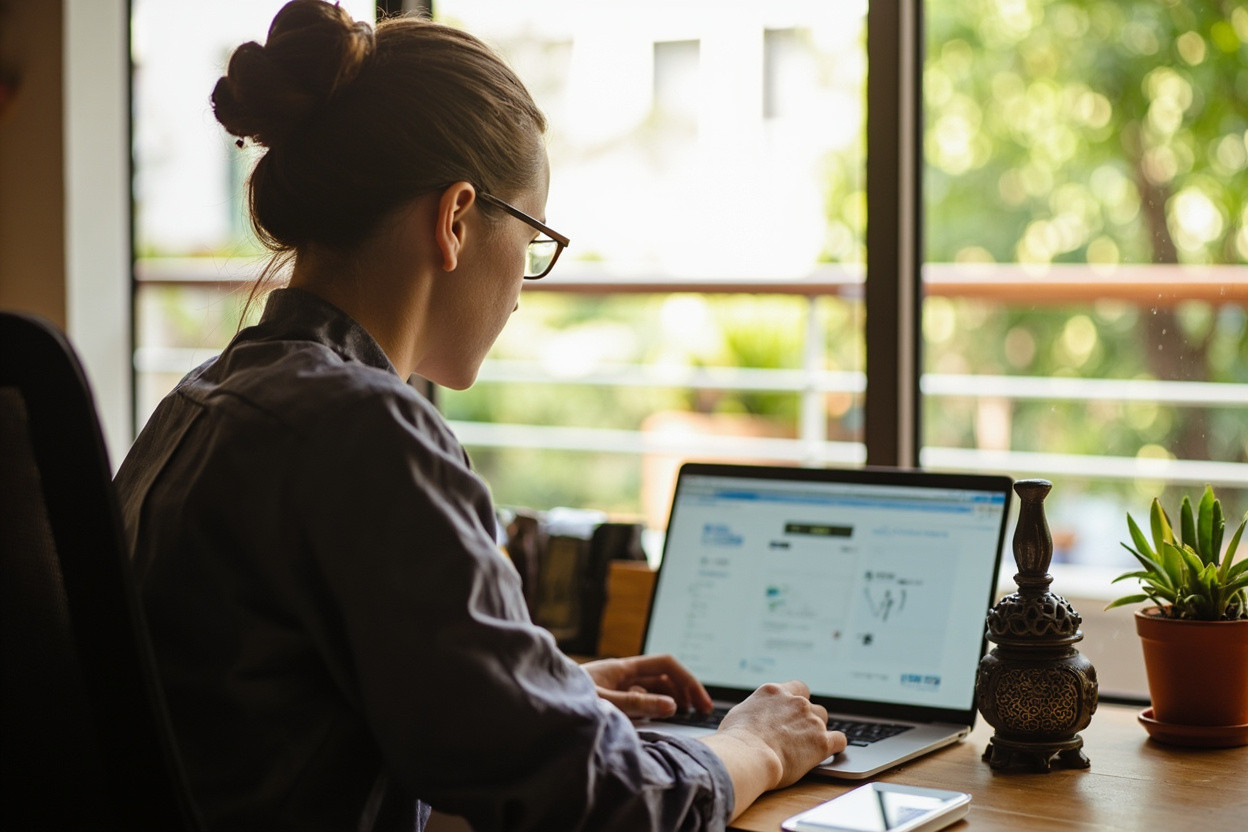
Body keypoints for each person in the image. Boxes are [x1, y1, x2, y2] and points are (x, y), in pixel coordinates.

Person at [115, 2, 846, 830]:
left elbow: (287, 702)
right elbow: (598, 807)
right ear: (457, 217)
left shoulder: (205, 401)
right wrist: (754, 747)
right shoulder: (363, 434)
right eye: (533, 239)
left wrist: (542, 689)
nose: (524, 290)